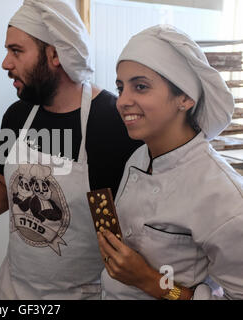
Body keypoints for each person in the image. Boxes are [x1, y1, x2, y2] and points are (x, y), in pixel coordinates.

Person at [0, 0, 141, 300]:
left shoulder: (111, 123)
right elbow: (4, 188)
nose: (5, 63)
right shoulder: (18, 115)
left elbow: (119, 226)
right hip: (13, 290)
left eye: (16, 51)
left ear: (54, 54)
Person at [97, 24, 243, 300]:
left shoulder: (224, 197)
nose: (122, 101)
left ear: (185, 97)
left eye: (140, 87)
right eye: (120, 87)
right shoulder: (139, 157)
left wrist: (150, 281)